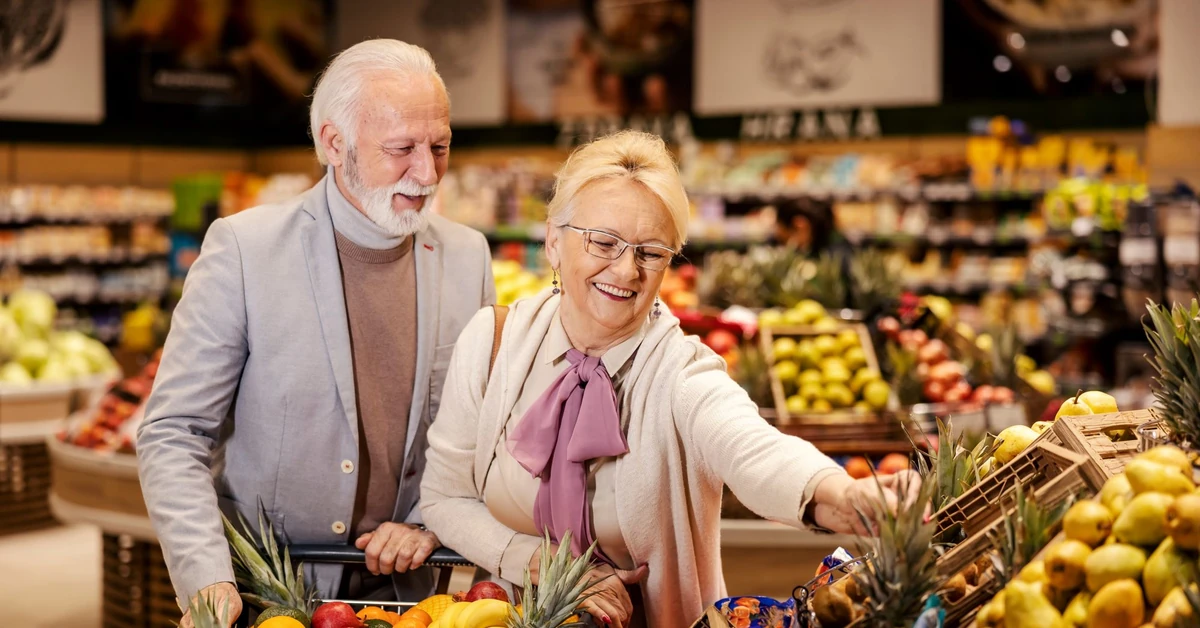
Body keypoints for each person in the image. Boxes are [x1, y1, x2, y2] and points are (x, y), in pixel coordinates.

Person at [420, 130, 922, 628]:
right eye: (604, 243)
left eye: (651, 252)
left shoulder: (682, 372)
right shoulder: (493, 344)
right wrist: (534, 561)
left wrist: (837, 494)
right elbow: (445, 498)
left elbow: (751, 447)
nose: (626, 271)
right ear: (554, 241)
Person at [137, 39, 495, 624]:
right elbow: (175, 432)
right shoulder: (245, 250)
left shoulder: (467, 256)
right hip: (269, 596)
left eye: (440, 147)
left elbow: (479, 432)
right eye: (402, 149)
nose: (428, 173)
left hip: (412, 599)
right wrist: (206, 578)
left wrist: (431, 523)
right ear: (334, 143)